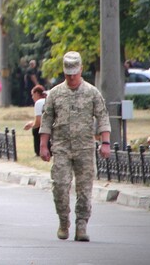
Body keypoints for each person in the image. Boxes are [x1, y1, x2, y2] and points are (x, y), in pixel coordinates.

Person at [40, 51, 110, 242]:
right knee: (60, 186)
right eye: (68, 73)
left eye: (74, 72)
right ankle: (64, 222)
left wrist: (105, 142)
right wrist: (43, 145)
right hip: (61, 147)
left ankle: (81, 225)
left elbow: (103, 117)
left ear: (81, 70)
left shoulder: (92, 92)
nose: (71, 77)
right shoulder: (54, 94)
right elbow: (46, 121)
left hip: (85, 148)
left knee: (84, 189)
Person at [23, 85, 48, 156]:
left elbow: (38, 123)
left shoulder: (39, 103)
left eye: (33, 95)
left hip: (46, 128)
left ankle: (38, 151)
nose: (32, 97)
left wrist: (31, 126)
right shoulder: (48, 99)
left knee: (35, 129)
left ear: (37, 93)